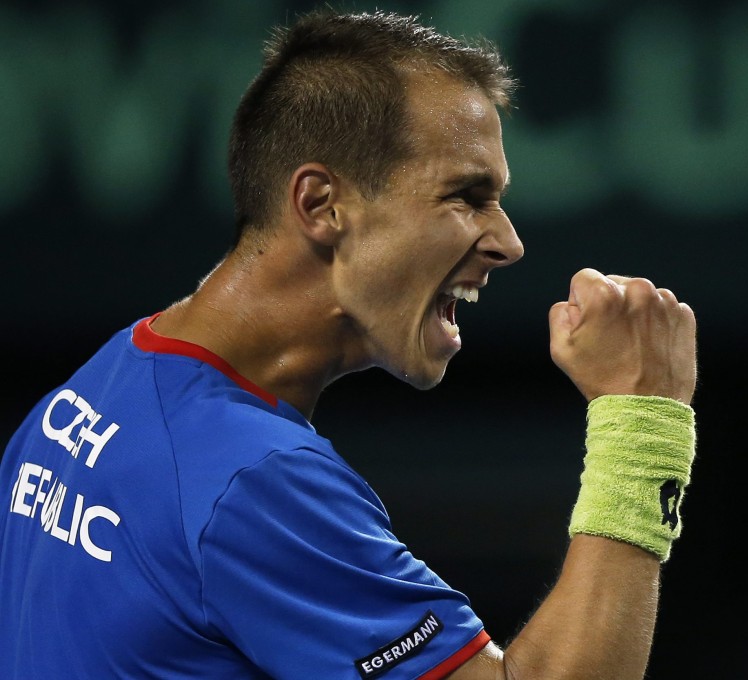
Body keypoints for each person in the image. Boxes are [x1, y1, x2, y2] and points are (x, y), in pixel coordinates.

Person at [0, 9, 697, 679]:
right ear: (321, 205)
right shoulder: (250, 481)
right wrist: (641, 428)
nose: (508, 241)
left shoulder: (98, 388)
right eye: (466, 196)